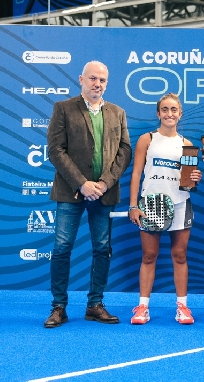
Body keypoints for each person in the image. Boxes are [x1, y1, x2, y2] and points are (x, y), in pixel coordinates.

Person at [43, 60, 132, 328]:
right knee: (61, 249)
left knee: (102, 249)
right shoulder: (64, 108)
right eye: (93, 79)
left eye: (102, 80)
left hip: (104, 193)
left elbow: (124, 150)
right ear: (81, 79)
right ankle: (59, 307)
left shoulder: (118, 112)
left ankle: (95, 304)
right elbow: (55, 150)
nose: (98, 84)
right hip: (71, 191)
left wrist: (104, 183)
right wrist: (82, 183)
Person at [128, 93, 202, 325]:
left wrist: (195, 177)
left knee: (180, 255)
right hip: (149, 205)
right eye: (165, 110)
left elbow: (188, 180)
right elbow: (137, 173)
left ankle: (182, 307)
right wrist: (133, 205)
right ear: (158, 113)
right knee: (149, 256)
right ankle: (142, 307)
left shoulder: (187, 145)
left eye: (174, 110)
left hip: (181, 204)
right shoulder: (146, 139)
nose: (169, 114)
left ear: (180, 114)